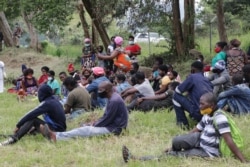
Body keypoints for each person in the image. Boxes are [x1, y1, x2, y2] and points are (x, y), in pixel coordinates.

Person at [122, 92, 246, 163]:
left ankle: (135, 159)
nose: (200, 106)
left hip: (208, 150)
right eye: (200, 103)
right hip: (200, 139)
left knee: (173, 156)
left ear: (212, 105)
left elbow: (229, 140)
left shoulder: (220, 118)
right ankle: (173, 149)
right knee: (177, 140)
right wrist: (183, 140)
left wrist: (243, 161)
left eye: (202, 104)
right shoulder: (208, 114)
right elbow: (197, 129)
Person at [40, 81, 128, 141]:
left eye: (101, 90)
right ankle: (56, 134)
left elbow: (107, 119)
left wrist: (93, 124)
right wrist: (94, 123)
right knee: (83, 128)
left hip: (114, 129)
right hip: (112, 126)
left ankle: (56, 137)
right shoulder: (113, 97)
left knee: (85, 130)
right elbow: (107, 117)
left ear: (108, 90)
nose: (99, 92)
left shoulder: (114, 100)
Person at [0, 84, 66, 146]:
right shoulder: (54, 100)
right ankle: (14, 135)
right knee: (31, 129)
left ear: (43, 94)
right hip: (61, 128)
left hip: (55, 130)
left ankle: (13, 139)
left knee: (33, 120)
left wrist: (18, 125)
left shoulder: (47, 103)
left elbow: (30, 114)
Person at [172, 61, 213, 129]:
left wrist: (181, 84)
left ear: (192, 70)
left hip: (199, 112)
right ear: (203, 69)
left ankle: (183, 124)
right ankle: (194, 119)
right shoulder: (207, 80)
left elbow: (178, 91)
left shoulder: (192, 77)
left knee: (175, 96)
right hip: (210, 114)